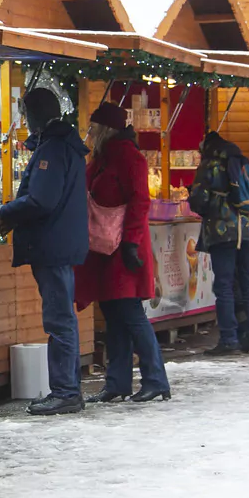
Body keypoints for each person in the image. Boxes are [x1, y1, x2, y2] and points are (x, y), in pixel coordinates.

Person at [0, 87, 91, 415]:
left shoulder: (53, 149)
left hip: (52, 245)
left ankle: (65, 390)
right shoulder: (67, 145)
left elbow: (42, 200)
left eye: (26, 112)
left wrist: (3, 213)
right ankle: (68, 388)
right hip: (62, 243)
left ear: (34, 114)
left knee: (58, 318)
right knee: (63, 317)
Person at [76, 103, 170, 403]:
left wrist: (131, 243)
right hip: (106, 247)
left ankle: (156, 379)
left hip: (124, 248)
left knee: (129, 313)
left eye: (93, 128)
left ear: (105, 129)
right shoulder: (102, 158)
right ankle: (117, 382)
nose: (89, 133)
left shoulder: (130, 158)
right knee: (115, 314)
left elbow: (141, 202)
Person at [190, 130, 249, 355]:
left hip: (224, 232)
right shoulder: (245, 162)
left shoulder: (210, 165)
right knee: (248, 284)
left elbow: (199, 200)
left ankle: (229, 340)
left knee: (224, 285)